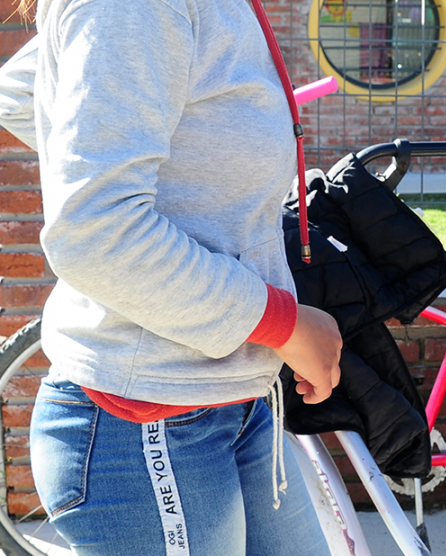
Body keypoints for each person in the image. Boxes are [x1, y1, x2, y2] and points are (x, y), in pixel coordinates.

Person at [0, 0, 342, 554]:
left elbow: (22, 92)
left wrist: (168, 172)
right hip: (145, 420)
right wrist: (282, 323)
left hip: (230, 399)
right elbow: (96, 230)